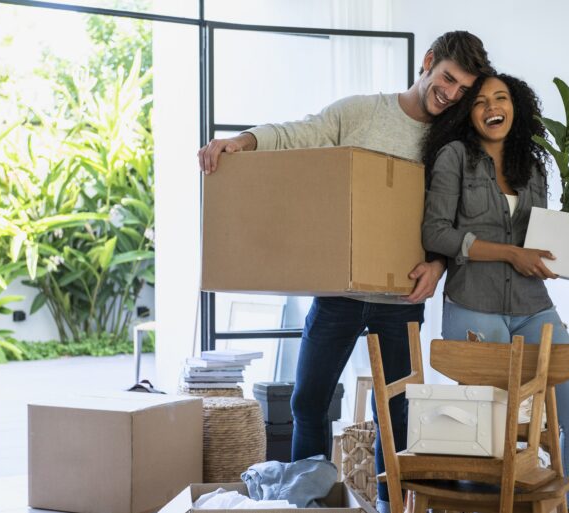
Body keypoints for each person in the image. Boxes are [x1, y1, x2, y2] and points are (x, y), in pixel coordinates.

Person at [198, 31, 494, 513]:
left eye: (462, 90)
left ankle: (389, 505)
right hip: (340, 292)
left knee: (394, 415)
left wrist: (438, 265)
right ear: (427, 62)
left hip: (403, 298)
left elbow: (457, 215)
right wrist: (242, 141)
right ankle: (307, 502)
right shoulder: (362, 112)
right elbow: (301, 132)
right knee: (307, 402)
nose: (452, 94)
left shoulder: (451, 139)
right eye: (447, 80)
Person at [421, 73, 569, 513]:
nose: (493, 106)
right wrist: (509, 254)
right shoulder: (454, 157)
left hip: (534, 307)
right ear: (467, 114)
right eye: (480, 100)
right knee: (493, 432)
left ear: (516, 107)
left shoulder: (532, 166)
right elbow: (436, 232)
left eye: (501, 97)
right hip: (474, 305)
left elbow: (543, 246)